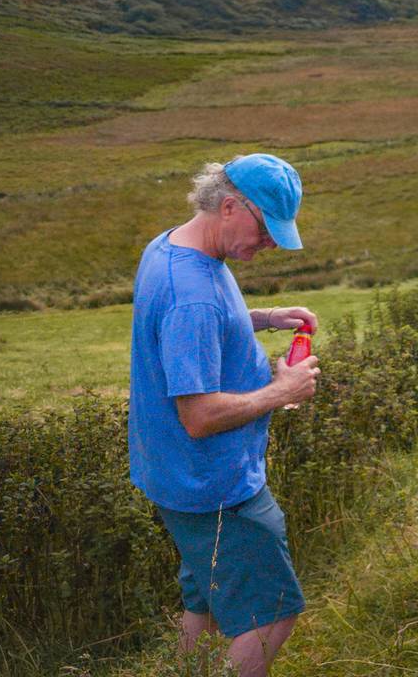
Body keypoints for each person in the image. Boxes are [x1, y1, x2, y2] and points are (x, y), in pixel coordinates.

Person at [129, 154, 318, 677]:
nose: (272, 244)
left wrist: (260, 319)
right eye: (266, 229)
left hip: (175, 477)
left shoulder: (171, 247)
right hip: (216, 485)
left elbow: (181, 331)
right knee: (272, 616)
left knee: (205, 603)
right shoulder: (193, 296)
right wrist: (283, 390)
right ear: (230, 206)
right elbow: (200, 416)